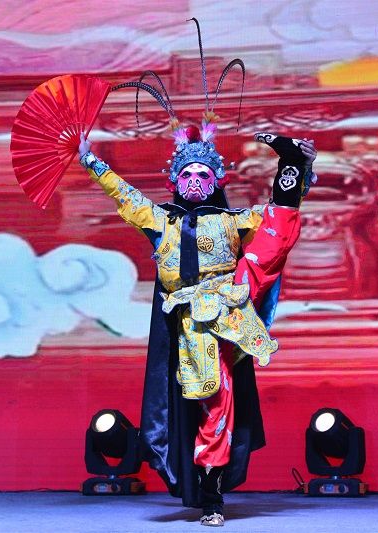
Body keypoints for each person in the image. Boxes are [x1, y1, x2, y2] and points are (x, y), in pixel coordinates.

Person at [79, 122, 316, 526]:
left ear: (216, 181)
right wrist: (90, 160)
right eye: (186, 174)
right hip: (185, 323)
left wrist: (299, 178)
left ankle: (212, 497)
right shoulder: (159, 219)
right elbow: (124, 193)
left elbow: (277, 221)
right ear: (173, 180)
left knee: (219, 402)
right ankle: (201, 484)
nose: (193, 180)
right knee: (195, 402)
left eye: (202, 174)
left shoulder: (234, 220)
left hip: (228, 314)